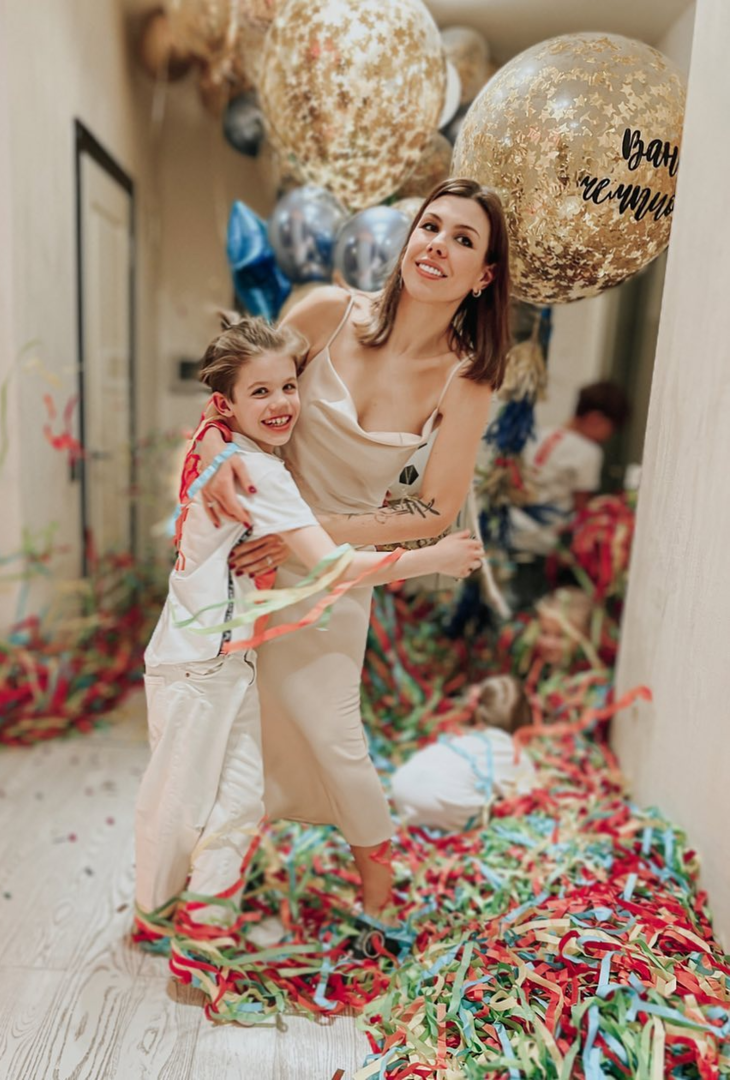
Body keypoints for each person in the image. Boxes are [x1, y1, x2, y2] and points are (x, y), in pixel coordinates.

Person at [194, 178, 513, 920]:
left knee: (335, 737)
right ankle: (206, 884)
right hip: (243, 558)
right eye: (430, 226)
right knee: (222, 724)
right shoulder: (325, 311)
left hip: (333, 576)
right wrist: (219, 466)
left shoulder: (467, 378)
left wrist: (303, 532)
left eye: (463, 239)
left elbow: (432, 512)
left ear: (484, 275)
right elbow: (233, 402)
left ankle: (380, 902)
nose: (438, 245)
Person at [134, 315, 485, 937]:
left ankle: (202, 930)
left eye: (289, 386)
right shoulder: (261, 472)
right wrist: (436, 558)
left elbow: (213, 438)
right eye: (260, 392)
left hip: (222, 661)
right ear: (227, 404)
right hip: (196, 665)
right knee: (180, 804)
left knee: (239, 801)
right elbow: (333, 568)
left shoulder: (230, 449)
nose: (281, 403)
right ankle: (156, 919)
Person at [509, 381, 630, 607]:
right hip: (543, 544)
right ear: (595, 419)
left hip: (511, 531)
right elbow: (582, 508)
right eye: (611, 428)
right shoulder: (588, 451)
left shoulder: (539, 435)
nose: (609, 437)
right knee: (534, 610)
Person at [390, 675, 536, 832]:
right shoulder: (515, 754)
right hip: (443, 807)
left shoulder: (462, 739)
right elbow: (526, 796)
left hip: (400, 790)